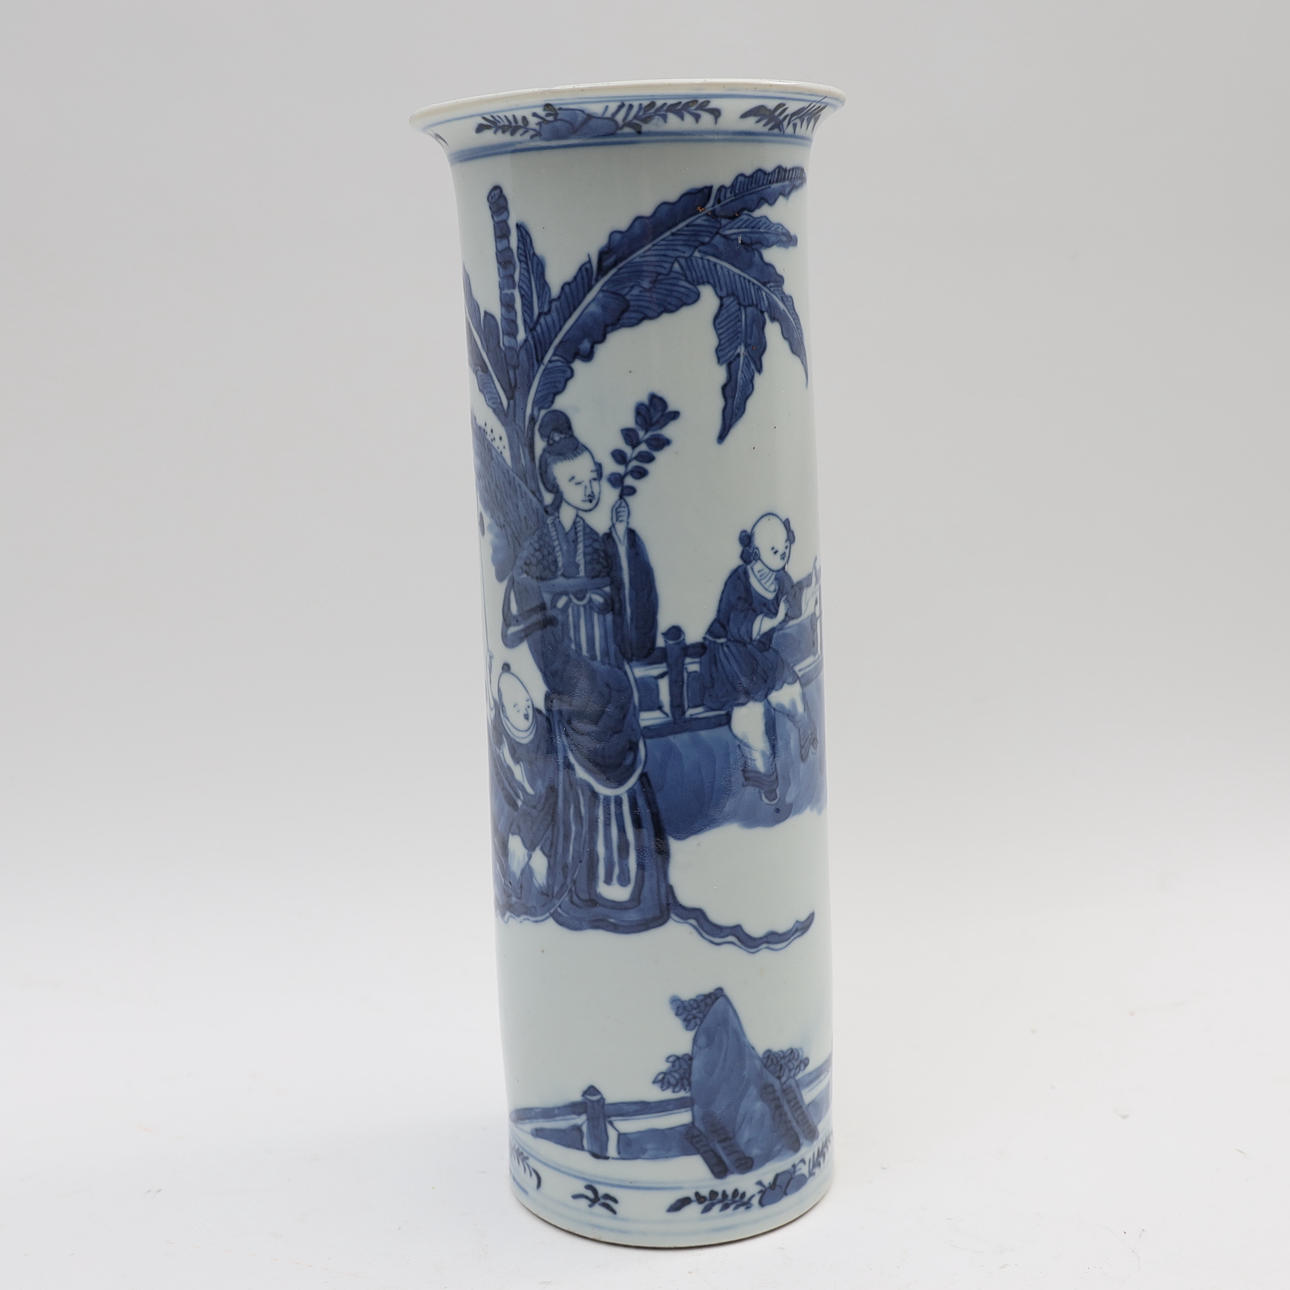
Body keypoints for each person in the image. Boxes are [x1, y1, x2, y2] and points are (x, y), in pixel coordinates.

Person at [500, 410, 669, 932]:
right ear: (554, 485)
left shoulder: (598, 543)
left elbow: (632, 623)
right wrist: (574, 679)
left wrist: (621, 541)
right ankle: (580, 891)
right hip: (575, 687)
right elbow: (532, 618)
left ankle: (637, 895)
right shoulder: (539, 549)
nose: (591, 488)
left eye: (594, 477)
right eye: (578, 482)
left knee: (627, 778)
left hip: (612, 682)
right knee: (575, 787)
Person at [700, 513, 818, 804]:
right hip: (731, 657)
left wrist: (812, 589)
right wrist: (772, 620)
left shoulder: (780, 578)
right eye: (775, 551)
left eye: (785, 549)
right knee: (749, 720)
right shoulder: (739, 580)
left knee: (790, 692)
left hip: (761, 657)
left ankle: (805, 728)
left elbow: (793, 605)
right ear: (756, 551)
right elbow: (735, 623)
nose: (782, 555)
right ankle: (766, 781)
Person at [488, 663, 556, 915]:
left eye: (527, 704)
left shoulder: (542, 726)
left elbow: (542, 781)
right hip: (524, 805)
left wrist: (518, 770)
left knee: (531, 849)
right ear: (507, 710)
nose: (525, 711)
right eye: (517, 708)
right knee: (519, 845)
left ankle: (538, 896)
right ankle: (517, 895)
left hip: (545, 802)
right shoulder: (504, 731)